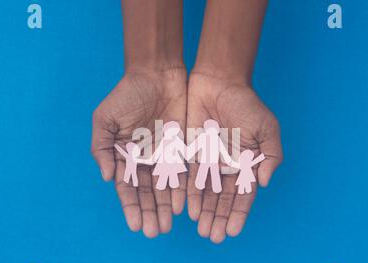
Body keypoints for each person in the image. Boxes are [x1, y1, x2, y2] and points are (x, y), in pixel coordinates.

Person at [91, 0, 283, 243]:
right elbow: (184, 149)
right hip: (177, 161)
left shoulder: (210, 143)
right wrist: (149, 66)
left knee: (205, 175)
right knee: (190, 175)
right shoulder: (171, 143)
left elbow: (200, 149)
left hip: (204, 162)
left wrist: (226, 72)